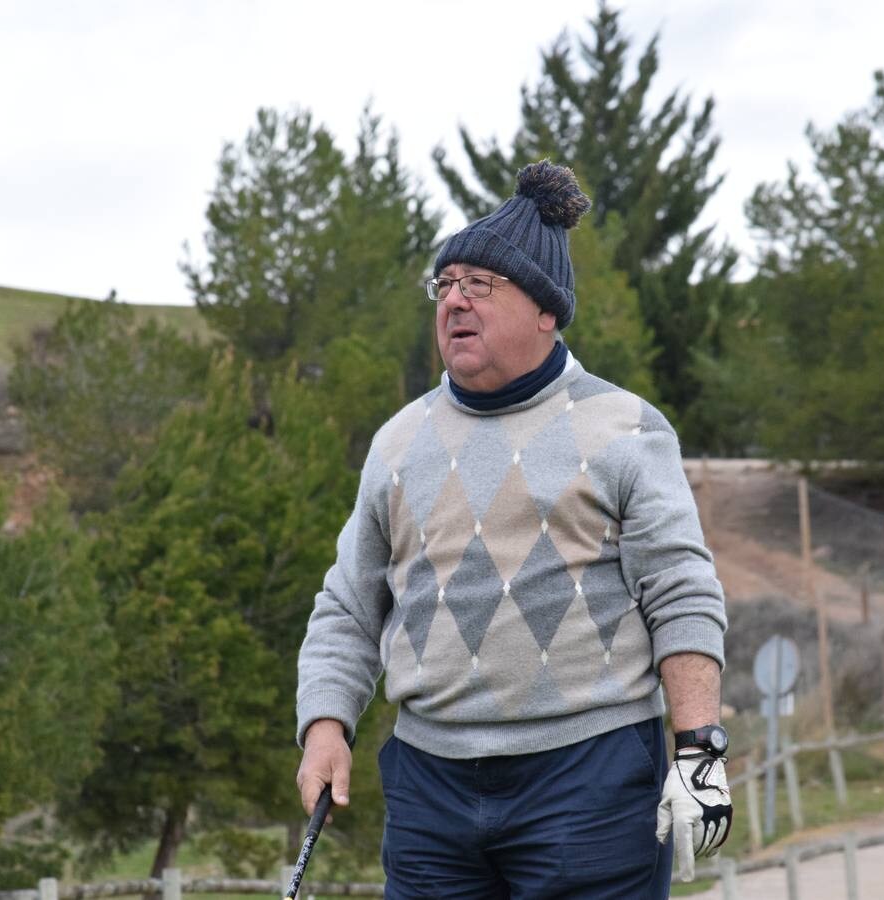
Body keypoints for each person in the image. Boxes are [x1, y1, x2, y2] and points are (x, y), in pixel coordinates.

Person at [295, 160, 732, 898]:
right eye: (445, 284)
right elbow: (348, 606)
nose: (454, 300)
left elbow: (681, 593)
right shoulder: (396, 444)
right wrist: (324, 726)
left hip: (590, 783)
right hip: (428, 788)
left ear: (545, 311)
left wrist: (698, 751)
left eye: (479, 284)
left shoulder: (626, 428)